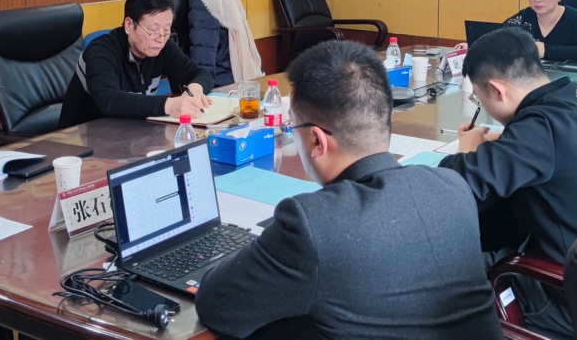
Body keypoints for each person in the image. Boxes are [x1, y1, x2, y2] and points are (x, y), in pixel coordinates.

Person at [196, 40, 503, 339]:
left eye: (293, 128)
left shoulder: (311, 224)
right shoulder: (452, 187)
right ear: (386, 117)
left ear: (317, 140)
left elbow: (216, 306)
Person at [439, 27, 577, 337]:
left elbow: (455, 186)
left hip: (576, 296)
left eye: (479, 99)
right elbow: (555, 145)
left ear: (498, 90)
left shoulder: (536, 131)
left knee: (451, 272)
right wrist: (507, 142)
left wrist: (466, 150)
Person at [60, 0, 217, 128]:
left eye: (166, 31)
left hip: (131, 130)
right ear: (129, 25)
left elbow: (200, 73)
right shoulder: (100, 52)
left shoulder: (163, 46)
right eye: (153, 31)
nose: (160, 39)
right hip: (82, 138)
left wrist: (195, 91)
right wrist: (170, 105)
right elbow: (110, 100)